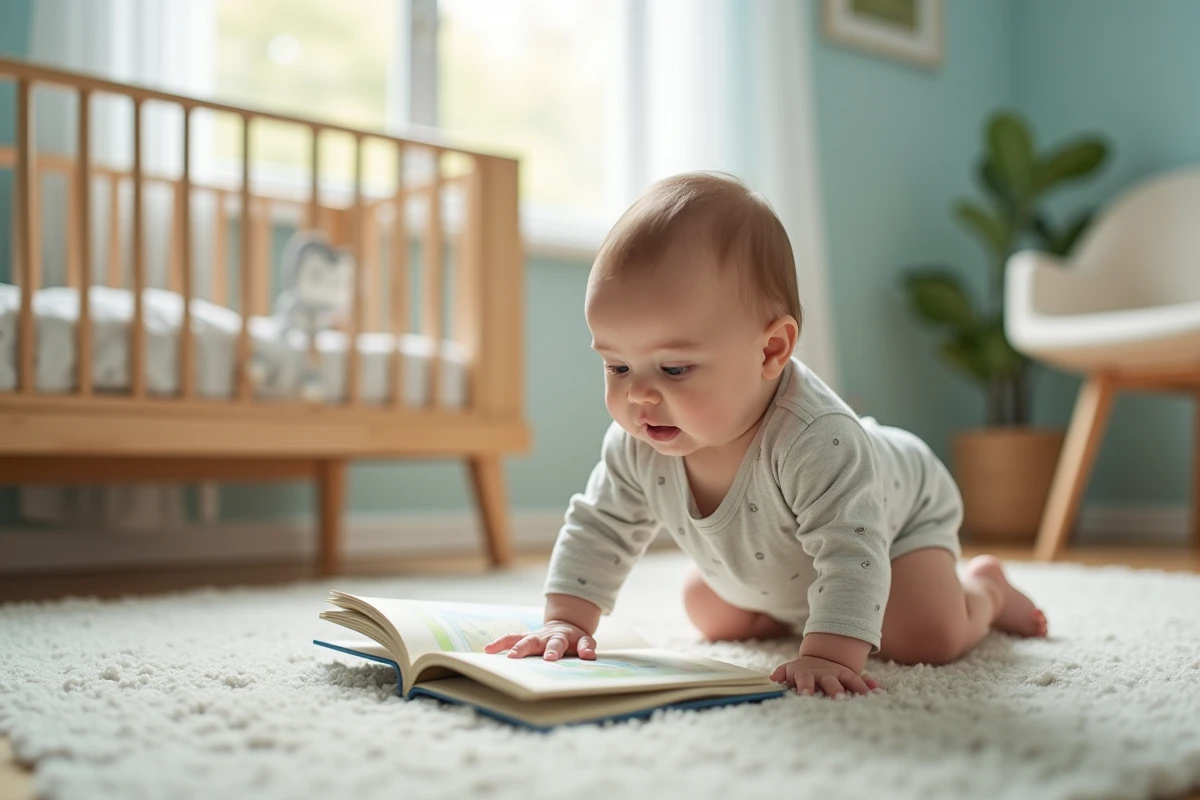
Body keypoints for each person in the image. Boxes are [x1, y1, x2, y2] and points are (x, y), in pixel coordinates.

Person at [485, 172, 1047, 698]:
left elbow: (853, 551)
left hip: (894, 519)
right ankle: (798, 606)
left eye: (675, 369)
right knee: (709, 610)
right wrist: (566, 619)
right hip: (784, 557)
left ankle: (987, 589)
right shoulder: (636, 443)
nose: (638, 396)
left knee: (925, 634)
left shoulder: (816, 440)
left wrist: (829, 653)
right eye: (617, 367)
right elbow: (600, 526)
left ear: (771, 350)